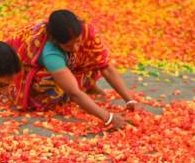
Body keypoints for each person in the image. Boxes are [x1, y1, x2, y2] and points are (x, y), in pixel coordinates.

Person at [7, 9, 139, 129]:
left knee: (91, 55)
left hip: (66, 65)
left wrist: (129, 99)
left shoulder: (87, 30)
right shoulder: (50, 53)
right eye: (69, 46)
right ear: (55, 41)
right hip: (28, 73)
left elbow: (105, 66)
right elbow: (74, 92)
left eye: (78, 41)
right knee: (45, 79)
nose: (76, 48)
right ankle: (59, 95)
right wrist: (108, 117)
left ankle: (87, 86)